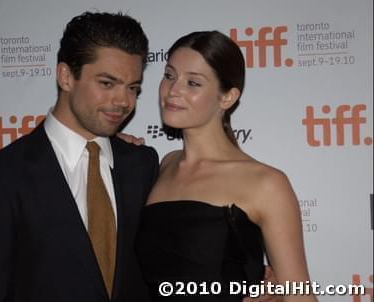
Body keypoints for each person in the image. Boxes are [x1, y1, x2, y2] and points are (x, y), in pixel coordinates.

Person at [0, 12, 158, 302]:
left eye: (133, 88)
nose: (123, 101)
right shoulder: (3, 176)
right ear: (65, 76)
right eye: (106, 83)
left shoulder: (141, 165)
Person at [136, 31, 317, 302]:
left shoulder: (266, 183)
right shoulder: (165, 165)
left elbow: (300, 297)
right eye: (169, 75)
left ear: (228, 97)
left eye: (193, 83)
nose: (173, 90)